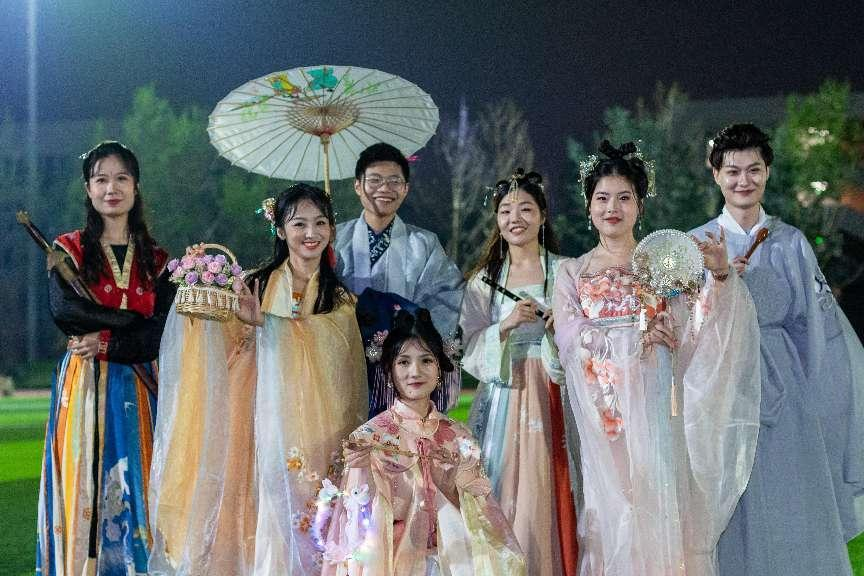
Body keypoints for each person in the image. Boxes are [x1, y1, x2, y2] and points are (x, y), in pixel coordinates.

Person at [553, 140, 761, 575]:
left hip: (655, 400)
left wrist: (719, 275)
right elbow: (570, 336)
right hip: (603, 408)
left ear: (640, 205)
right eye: (602, 198)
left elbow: (700, 328)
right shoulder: (571, 271)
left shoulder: (665, 265)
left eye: (624, 197)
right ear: (589, 206)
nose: (612, 208)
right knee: (612, 505)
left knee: (660, 495)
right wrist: (627, 342)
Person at [148, 183, 368, 574]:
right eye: (299, 224)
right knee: (244, 504)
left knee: (305, 508)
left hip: (311, 420)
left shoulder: (339, 299)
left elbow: (336, 354)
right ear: (280, 230)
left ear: (332, 230)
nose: (311, 233)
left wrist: (267, 322)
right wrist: (202, 281)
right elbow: (221, 341)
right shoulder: (255, 282)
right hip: (248, 412)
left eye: (320, 222)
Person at [691, 123, 864, 576]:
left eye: (754, 170)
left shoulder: (791, 242)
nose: (743, 181)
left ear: (767, 172)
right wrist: (719, 284)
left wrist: (820, 394)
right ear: (716, 175)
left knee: (790, 490)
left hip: (785, 386)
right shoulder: (697, 243)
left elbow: (818, 328)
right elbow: (686, 329)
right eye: (733, 171)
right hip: (723, 387)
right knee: (731, 495)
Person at [37, 141, 173, 575]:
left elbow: (161, 333)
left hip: (141, 384)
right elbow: (67, 312)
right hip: (84, 384)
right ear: (88, 189)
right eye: (101, 180)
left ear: (136, 186)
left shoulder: (158, 260)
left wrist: (110, 340)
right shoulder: (68, 249)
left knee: (143, 477)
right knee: (85, 481)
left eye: (121, 178)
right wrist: (134, 319)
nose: (111, 188)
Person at [321, 308, 525, 575]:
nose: (415, 371)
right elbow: (358, 525)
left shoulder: (459, 436)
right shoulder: (369, 438)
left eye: (426, 360)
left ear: (439, 368)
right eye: (404, 362)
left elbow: (482, 512)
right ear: (389, 371)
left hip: (454, 559)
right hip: (393, 563)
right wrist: (363, 471)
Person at [459, 170, 578, 575]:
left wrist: (559, 326)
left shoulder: (567, 271)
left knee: (553, 484)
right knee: (502, 484)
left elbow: (586, 334)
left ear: (542, 216)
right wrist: (504, 326)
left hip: (553, 389)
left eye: (526, 209)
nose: (516, 219)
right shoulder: (484, 282)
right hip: (504, 397)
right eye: (506, 210)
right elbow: (469, 345)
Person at [334, 143, 464, 415]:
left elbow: (447, 298)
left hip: (406, 368)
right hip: (345, 362)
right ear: (357, 185)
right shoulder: (335, 241)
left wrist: (412, 335)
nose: (385, 188)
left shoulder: (424, 243)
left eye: (394, 181)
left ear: (405, 189)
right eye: (374, 180)